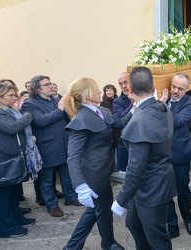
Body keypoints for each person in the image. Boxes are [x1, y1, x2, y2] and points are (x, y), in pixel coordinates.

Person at [62, 78, 132, 250]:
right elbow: (73, 157)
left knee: (95, 209)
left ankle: (72, 247)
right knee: (103, 209)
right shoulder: (80, 119)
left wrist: (135, 105)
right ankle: (108, 244)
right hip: (93, 175)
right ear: (87, 95)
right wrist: (80, 186)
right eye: (96, 89)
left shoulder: (100, 110)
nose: (100, 92)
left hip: (102, 170)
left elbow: (120, 123)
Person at [111, 66, 177, 250]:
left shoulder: (139, 122)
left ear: (130, 90)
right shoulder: (162, 106)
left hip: (151, 190)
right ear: (154, 86)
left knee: (158, 239)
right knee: (133, 224)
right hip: (157, 182)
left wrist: (121, 200)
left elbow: (135, 170)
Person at [22, 75, 80, 218]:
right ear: (36, 88)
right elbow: (40, 121)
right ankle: (52, 205)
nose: (51, 86)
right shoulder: (30, 103)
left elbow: (65, 120)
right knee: (47, 179)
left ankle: (70, 197)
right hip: (47, 146)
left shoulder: (55, 100)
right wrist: (60, 109)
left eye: (51, 83)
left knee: (67, 175)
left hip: (63, 144)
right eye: (46, 84)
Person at [0, 83, 36, 238]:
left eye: (15, 95)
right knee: (3, 196)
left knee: (12, 194)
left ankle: (16, 219)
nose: (14, 98)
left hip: (12, 158)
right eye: (11, 95)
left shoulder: (8, 111)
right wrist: (28, 115)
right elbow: (13, 127)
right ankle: (6, 228)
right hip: (1, 161)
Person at [160, 72, 191, 239]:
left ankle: (188, 219)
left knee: (182, 191)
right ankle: (172, 226)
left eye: (180, 88)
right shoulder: (162, 98)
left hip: (180, 155)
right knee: (166, 192)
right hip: (162, 154)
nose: (175, 91)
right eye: (173, 86)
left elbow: (176, 121)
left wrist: (162, 106)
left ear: (187, 89)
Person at [113, 72, 133, 171]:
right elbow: (121, 120)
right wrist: (133, 103)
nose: (123, 86)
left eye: (126, 82)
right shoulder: (117, 101)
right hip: (126, 144)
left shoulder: (142, 96)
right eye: (120, 84)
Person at [100, 84, 120, 159]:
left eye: (111, 90)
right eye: (107, 90)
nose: (109, 92)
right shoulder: (103, 103)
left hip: (119, 126)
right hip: (111, 129)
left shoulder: (118, 101)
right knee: (113, 147)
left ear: (114, 91)